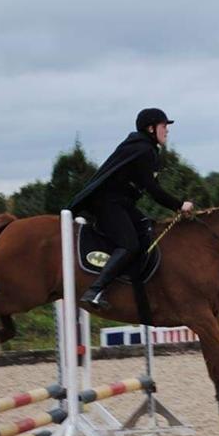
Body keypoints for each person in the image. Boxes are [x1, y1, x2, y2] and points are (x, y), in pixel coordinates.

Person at [71, 108, 194, 309]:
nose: (167, 131)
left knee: (146, 226)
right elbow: (153, 189)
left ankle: (133, 280)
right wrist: (179, 205)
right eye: (164, 126)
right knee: (129, 245)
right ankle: (95, 290)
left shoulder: (145, 148)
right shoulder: (143, 150)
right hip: (108, 204)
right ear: (151, 128)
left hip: (121, 204)